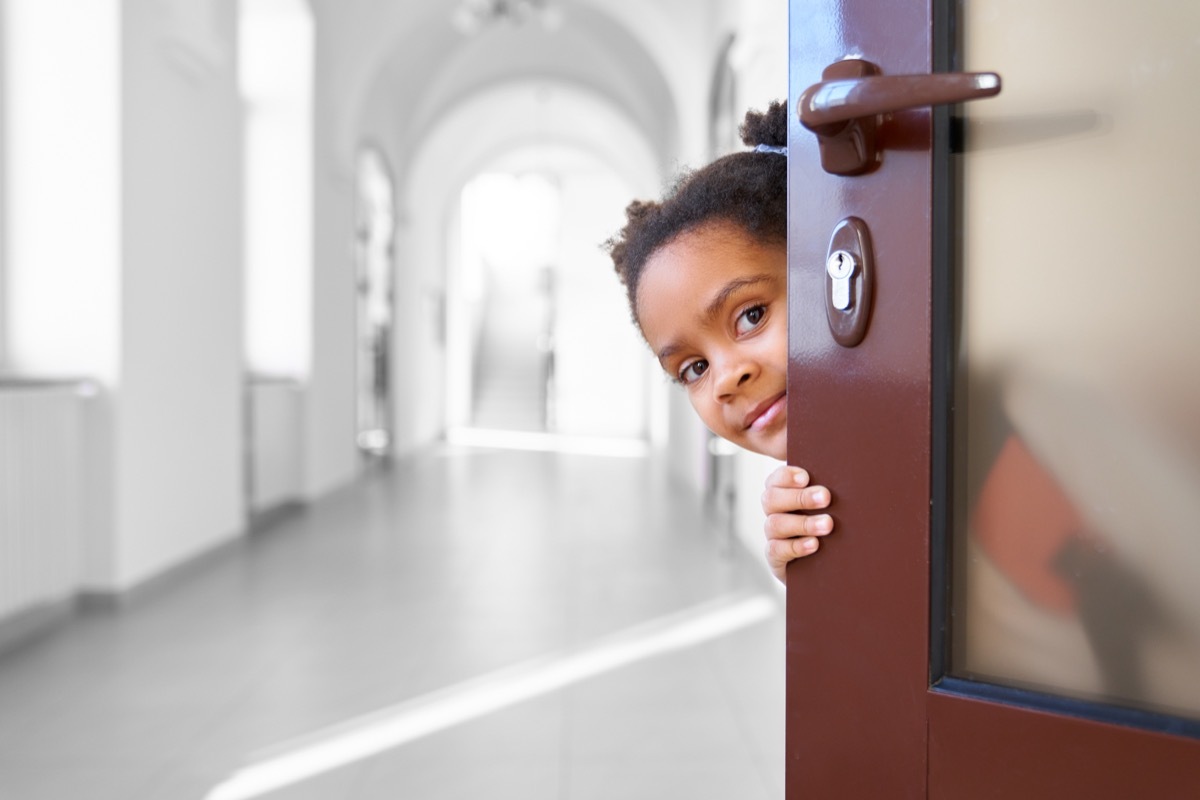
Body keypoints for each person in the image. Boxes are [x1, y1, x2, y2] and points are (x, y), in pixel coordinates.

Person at [605, 100, 832, 583]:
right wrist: (815, 583)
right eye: (694, 369)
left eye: (751, 316)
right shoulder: (808, 492)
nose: (727, 379)